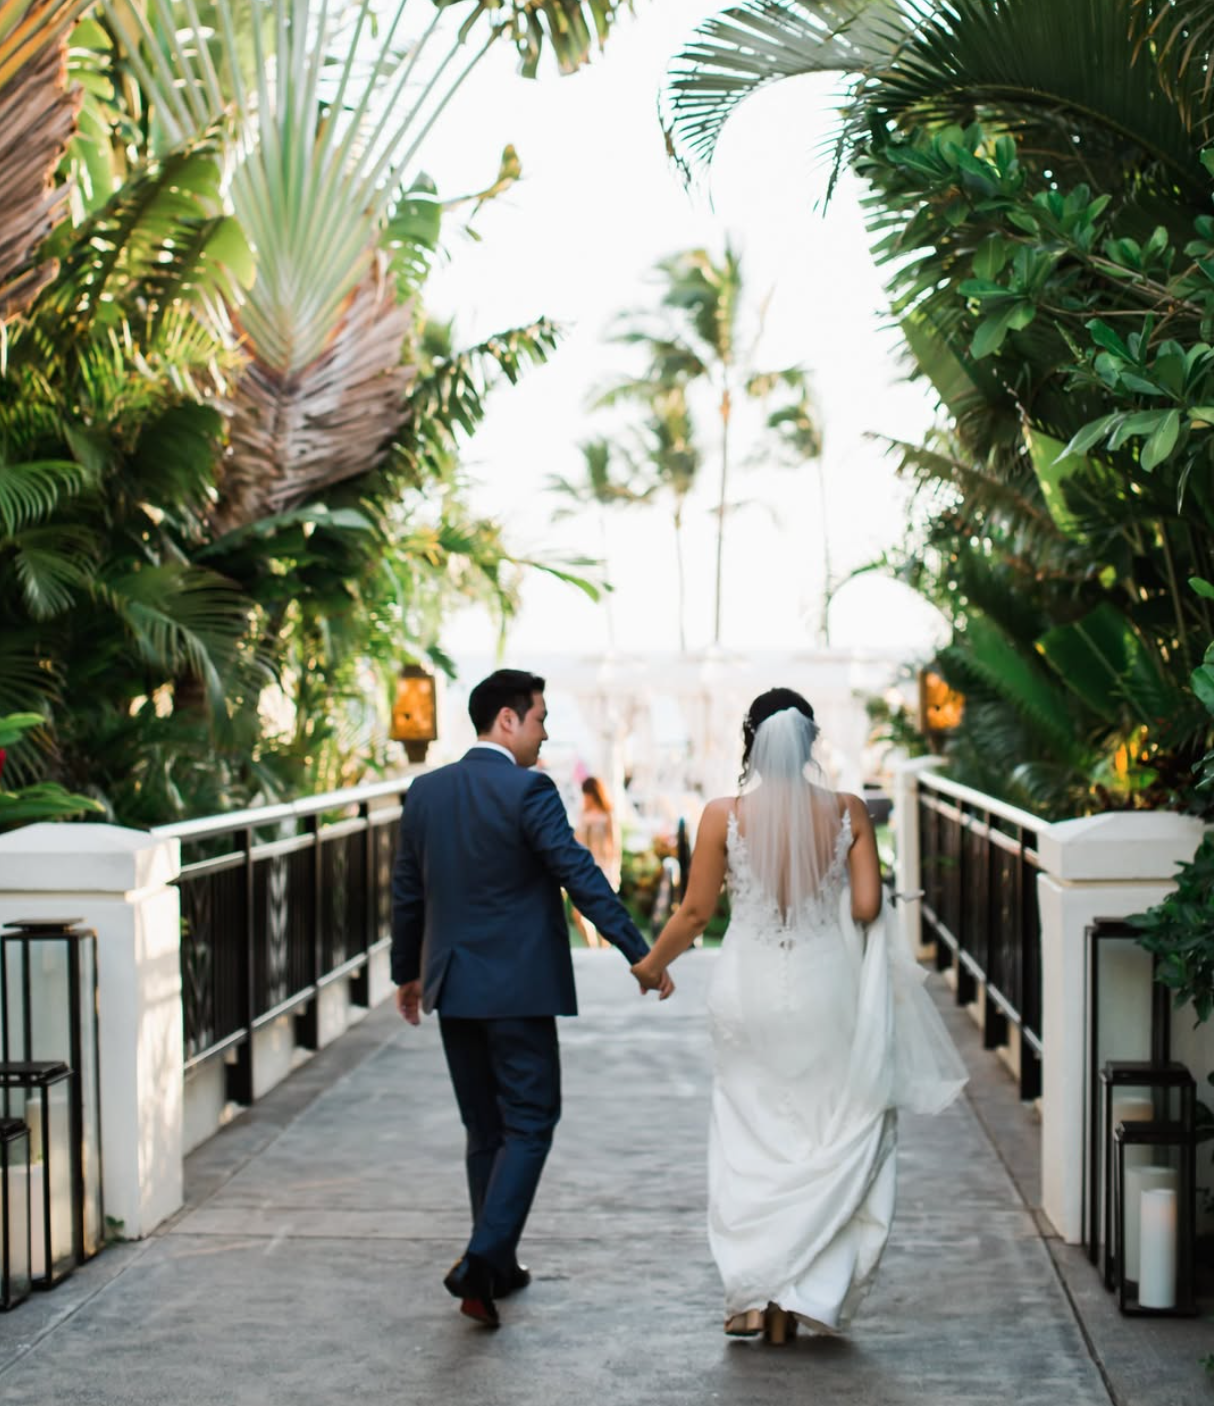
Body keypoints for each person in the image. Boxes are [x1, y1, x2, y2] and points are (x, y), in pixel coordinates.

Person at [632, 687, 966, 1343]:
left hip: (747, 990)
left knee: (750, 1135)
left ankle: (753, 1296)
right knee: (819, 1132)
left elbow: (696, 913)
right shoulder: (848, 812)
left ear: (750, 742)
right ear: (811, 742)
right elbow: (868, 907)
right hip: (824, 989)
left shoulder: (720, 815)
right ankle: (800, 1298)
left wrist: (652, 964)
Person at [391, 668, 673, 1328]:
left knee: (485, 1129)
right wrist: (640, 952)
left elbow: (409, 891)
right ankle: (482, 1257)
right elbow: (576, 872)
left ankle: (495, 1270)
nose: (545, 735)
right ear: (508, 720)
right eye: (541, 719)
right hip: (516, 989)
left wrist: (409, 972)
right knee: (530, 1122)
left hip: (452, 984)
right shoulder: (529, 790)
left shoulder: (426, 792)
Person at [570, 776, 620, 948]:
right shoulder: (583, 815)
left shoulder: (607, 815)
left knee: (603, 914)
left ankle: (604, 949)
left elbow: (615, 847)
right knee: (578, 914)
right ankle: (593, 948)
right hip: (584, 869)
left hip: (604, 870)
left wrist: (615, 873)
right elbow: (577, 842)